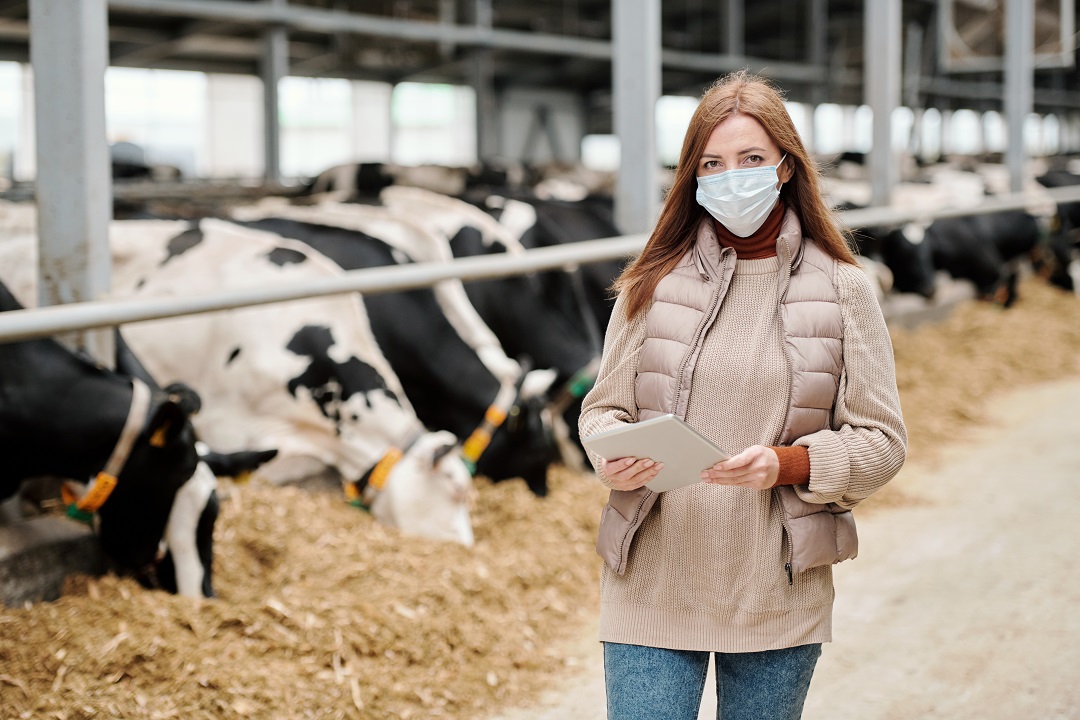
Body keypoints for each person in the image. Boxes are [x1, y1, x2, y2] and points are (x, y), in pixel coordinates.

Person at [578, 70, 907, 720]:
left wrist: (789, 464)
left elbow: (884, 442)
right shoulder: (653, 281)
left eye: (751, 159)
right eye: (714, 163)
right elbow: (603, 410)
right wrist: (607, 452)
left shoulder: (844, 289)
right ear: (693, 177)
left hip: (775, 588)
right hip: (653, 583)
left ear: (785, 166)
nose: (733, 177)